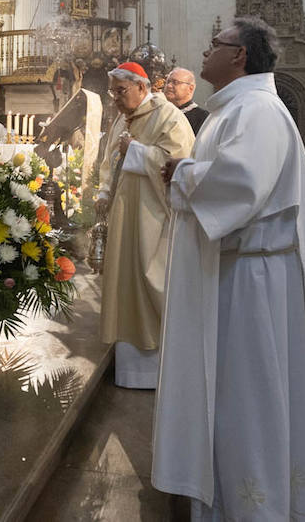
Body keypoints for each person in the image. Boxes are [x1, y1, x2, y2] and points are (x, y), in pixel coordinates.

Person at [154, 15, 305, 517]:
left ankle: (256, 505)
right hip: (238, 273)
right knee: (234, 395)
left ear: (239, 55)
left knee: (250, 397)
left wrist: (183, 171)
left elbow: (242, 187)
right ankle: (230, 493)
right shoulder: (235, 107)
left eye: (214, 43)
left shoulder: (258, 110)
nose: (205, 52)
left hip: (253, 281)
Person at [94, 61, 194, 389]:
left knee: (149, 278)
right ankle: (130, 366)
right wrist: (105, 191)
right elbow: (109, 160)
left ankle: (160, 369)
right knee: (125, 282)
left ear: (142, 86)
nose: (115, 99)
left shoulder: (169, 116)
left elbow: (180, 165)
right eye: (112, 92)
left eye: (120, 91)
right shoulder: (123, 120)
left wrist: (135, 151)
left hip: (152, 219)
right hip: (125, 216)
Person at [162, 66, 208, 135]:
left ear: (190, 88)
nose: (169, 86)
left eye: (175, 82)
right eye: (167, 82)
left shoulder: (202, 118)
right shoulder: (160, 112)